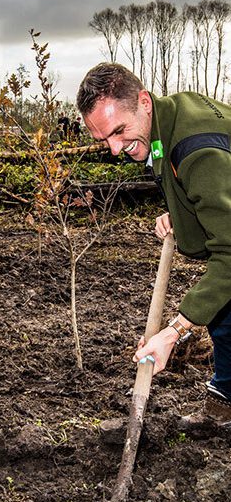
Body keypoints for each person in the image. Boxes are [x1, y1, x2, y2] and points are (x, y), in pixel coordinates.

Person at [76, 63, 231, 432]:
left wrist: (172, 332)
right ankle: (225, 400)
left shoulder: (197, 149)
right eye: (103, 140)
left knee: (219, 296)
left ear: (143, 101)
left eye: (119, 131)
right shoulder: (168, 119)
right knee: (224, 310)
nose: (114, 149)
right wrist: (180, 211)